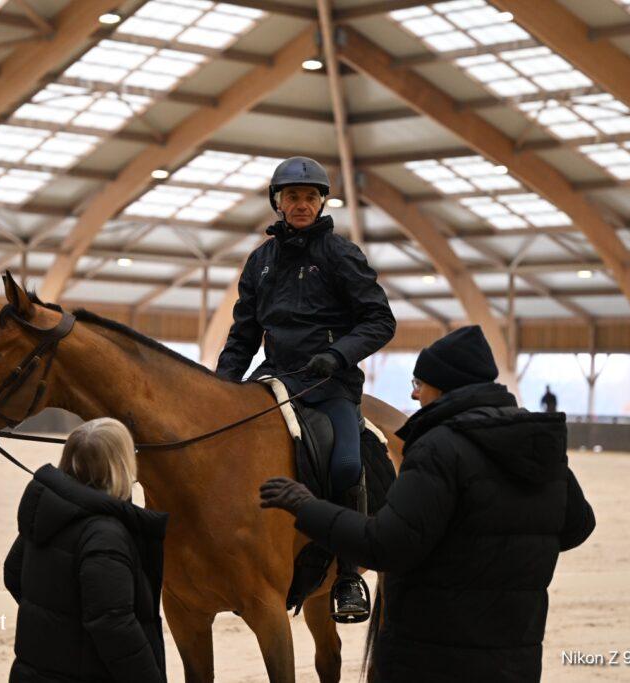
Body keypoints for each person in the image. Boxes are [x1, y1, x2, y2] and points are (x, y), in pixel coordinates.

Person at [260, 326, 596, 682]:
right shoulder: (535, 442)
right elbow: (578, 526)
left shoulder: (439, 448)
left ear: (444, 386)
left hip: (434, 658)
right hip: (515, 661)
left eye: (420, 383)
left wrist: (307, 506)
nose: (413, 392)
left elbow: (384, 545)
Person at [216, 156, 396, 619]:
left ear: (321, 202)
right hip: (274, 378)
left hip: (330, 384)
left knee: (346, 464)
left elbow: (380, 320)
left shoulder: (341, 255)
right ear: (278, 203)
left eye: (310, 197)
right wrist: (220, 387)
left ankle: (350, 574)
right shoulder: (260, 262)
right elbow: (242, 335)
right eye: (292, 197)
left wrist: (337, 356)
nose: (301, 204)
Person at [4, 418, 167, 683]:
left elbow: (13, 573)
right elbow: (113, 625)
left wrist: (58, 625)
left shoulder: (49, 510)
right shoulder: (106, 534)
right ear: (121, 465)